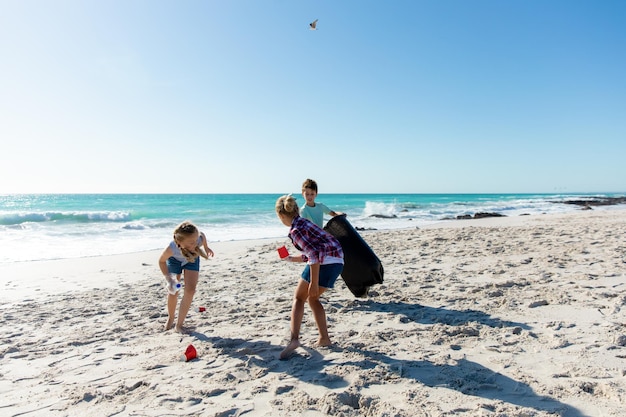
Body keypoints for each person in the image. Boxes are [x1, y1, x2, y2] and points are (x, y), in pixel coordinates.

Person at [275, 194, 344, 359]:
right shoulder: (303, 223)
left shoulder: (296, 230)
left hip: (325, 262)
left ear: (281, 215)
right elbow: (314, 250)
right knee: (312, 299)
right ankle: (324, 339)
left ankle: (294, 340)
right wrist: (291, 259)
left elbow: (314, 254)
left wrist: (313, 282)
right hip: (337, 261)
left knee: (299, 298)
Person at [158, 221, 214, 333]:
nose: (195, 245)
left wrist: (206, 247)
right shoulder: (171, 248)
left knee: (190, 290)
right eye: (190, 243)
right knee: (174, 290)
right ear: (179, 242)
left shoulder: (197, 241)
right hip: (174, 261)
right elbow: (161, 261)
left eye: (195, 241)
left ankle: (179, 325)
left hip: (192, 258)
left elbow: (202, 235)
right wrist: (169, 279)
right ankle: (171, 318)